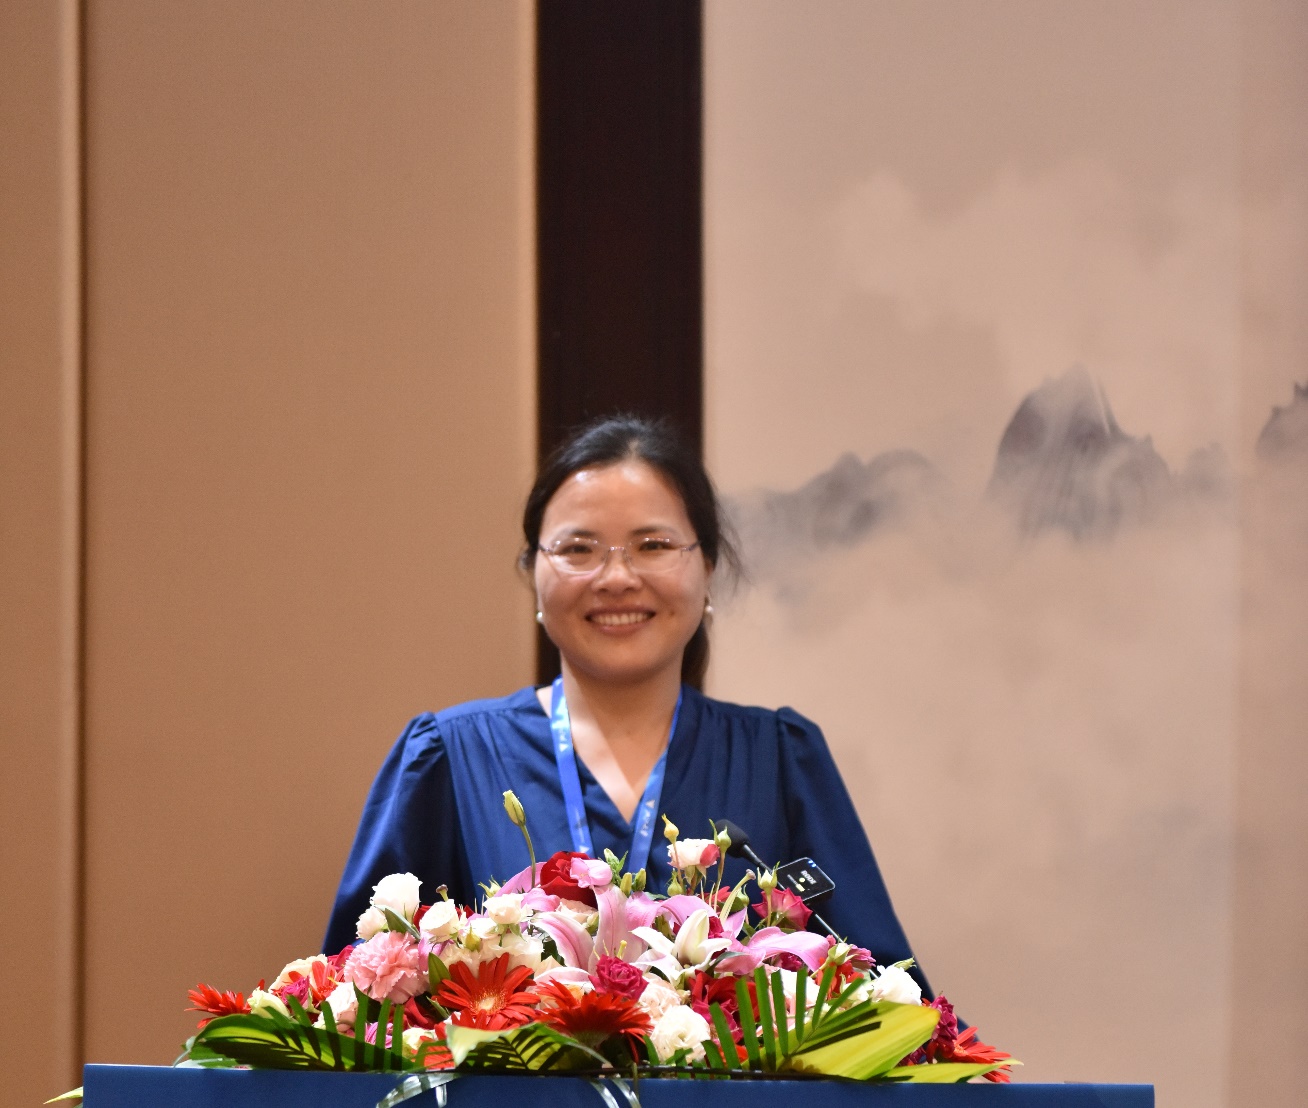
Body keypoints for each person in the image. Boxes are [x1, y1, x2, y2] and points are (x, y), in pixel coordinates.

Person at [324, 416, 929, 993]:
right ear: (533, 572)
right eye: (578, 549)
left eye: (653, 544)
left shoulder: (779, 761)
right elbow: (354, 1007)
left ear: (707, 567)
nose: (616, 577)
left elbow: (886, 1004)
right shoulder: (450, 760)